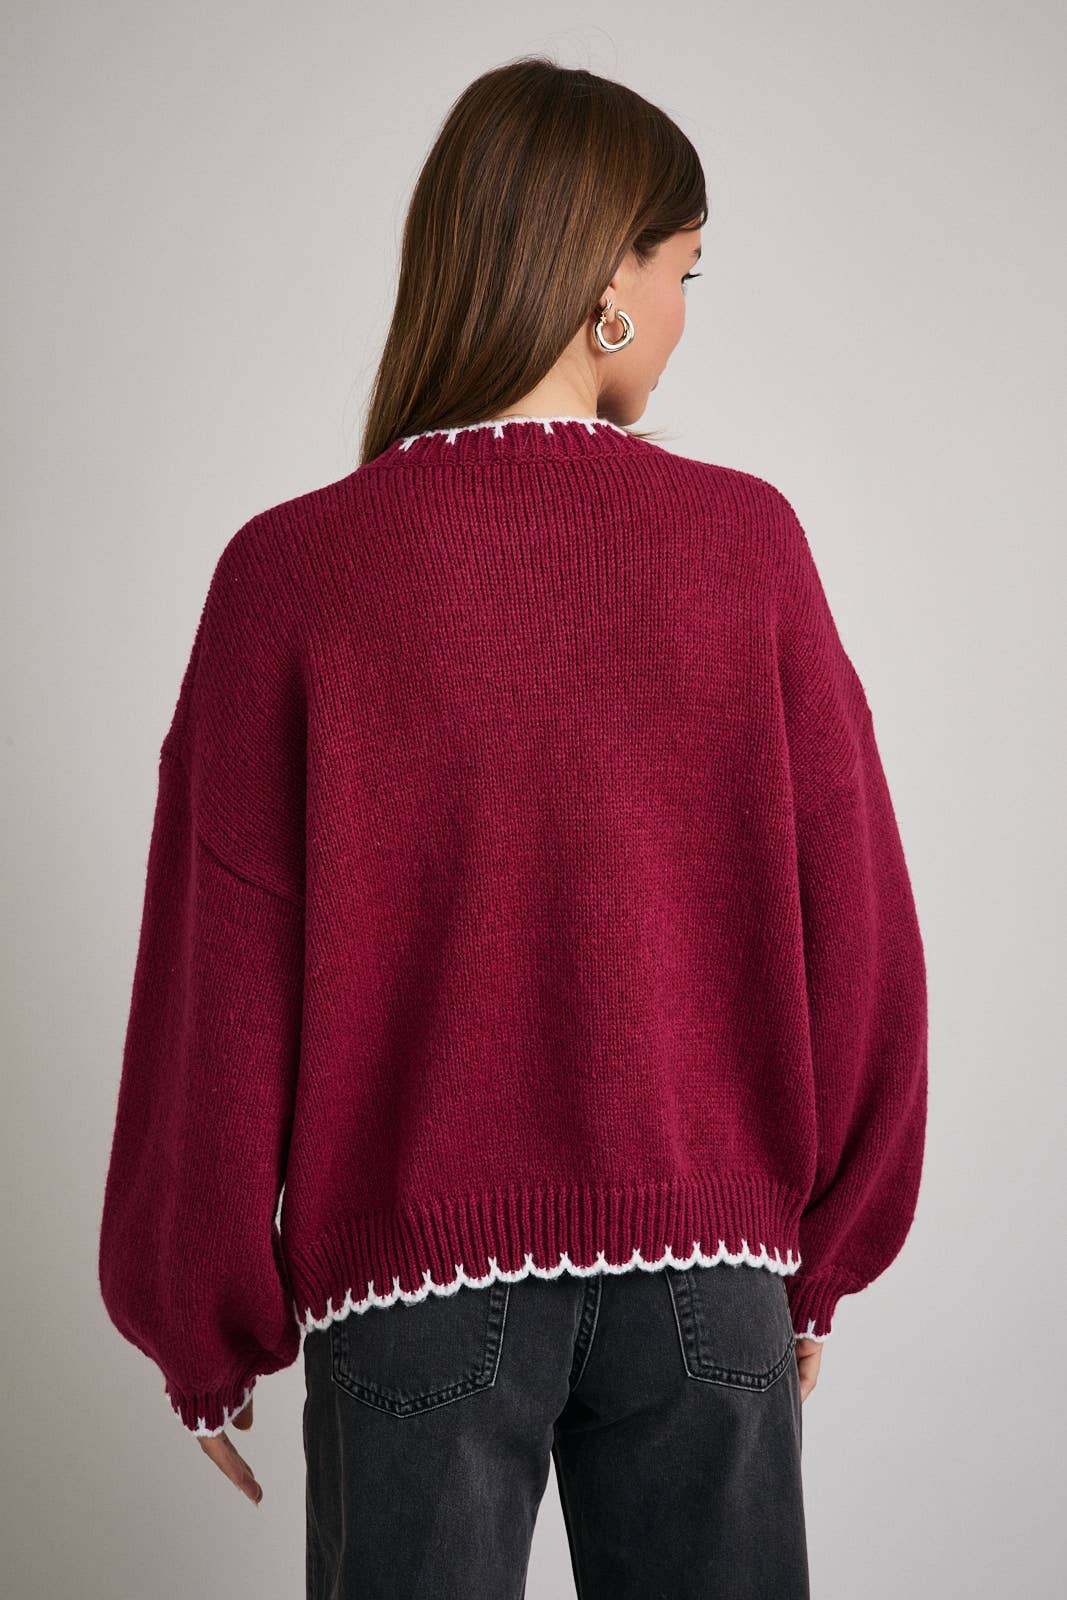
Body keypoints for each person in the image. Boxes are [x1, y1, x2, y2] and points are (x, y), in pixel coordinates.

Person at [97, 55, 928, 1600]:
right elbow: (858, 917)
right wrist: (824, 1253)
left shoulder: (291, 573)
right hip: (708, 1279)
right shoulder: (745, 546)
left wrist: (199, 1319)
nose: (683, 313)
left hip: (413, 1283)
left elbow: (222, 976)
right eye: (684, 272)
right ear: (609, 281)